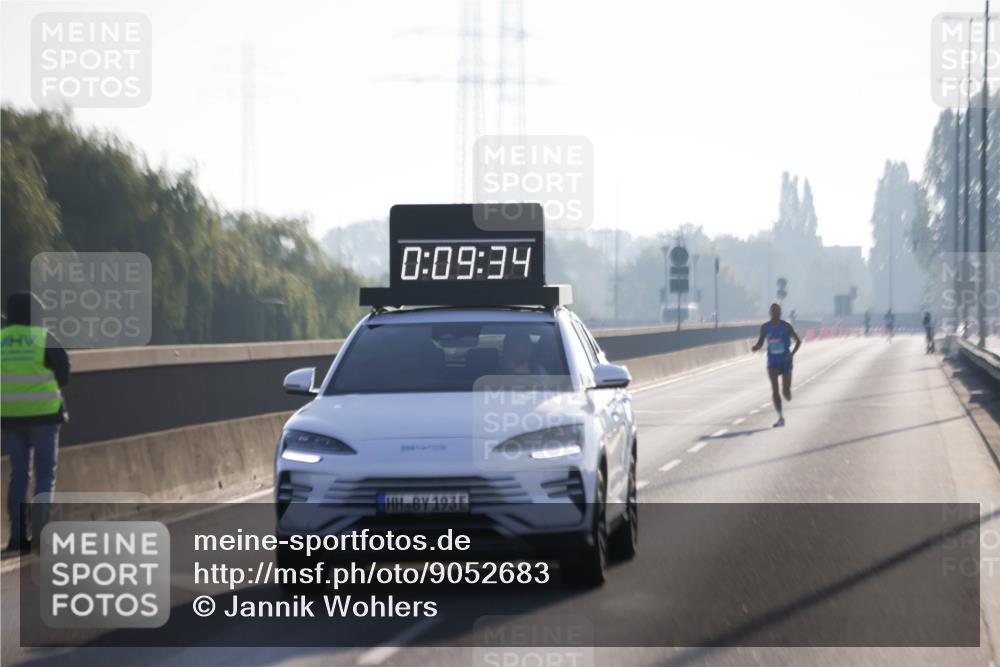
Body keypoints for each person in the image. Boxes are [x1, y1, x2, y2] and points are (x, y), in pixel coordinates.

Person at [1, 292, 70, 554]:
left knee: (18, 475)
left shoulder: (1, 340)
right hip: (44, 415)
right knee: (45, 477)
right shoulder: (43, 337)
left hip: (10, 416)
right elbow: (64, 372)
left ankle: (18, 538)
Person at [752, 303, 801, 428]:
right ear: (770, 313)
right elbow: (760, 343)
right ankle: (780, 417)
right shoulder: (765, 327)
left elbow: (798, 341)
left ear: (780, 313)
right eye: (773, 311)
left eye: (778, 311)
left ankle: (787, 392)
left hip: (786, 361)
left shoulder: (786, 326)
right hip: (772, 362)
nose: (775, 313)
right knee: (775, 390)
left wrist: (792, 354)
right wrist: (756, 348)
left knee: (786, 393)